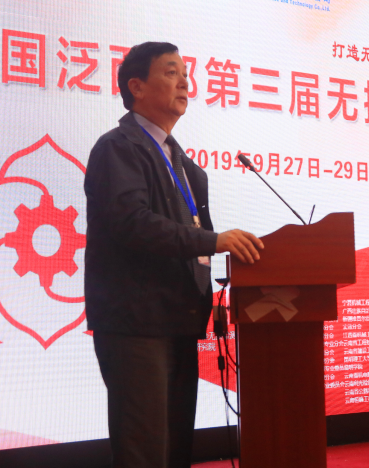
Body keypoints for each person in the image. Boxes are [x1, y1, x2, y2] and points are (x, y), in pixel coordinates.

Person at [84, 41, 263, 468]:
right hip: (137, 324)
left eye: (185, 73)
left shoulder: (185, 166)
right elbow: (132, 223)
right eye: (170, 72)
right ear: (136, 86)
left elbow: (191, 238)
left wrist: (210, 288)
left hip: (179, 320)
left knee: (174, 449)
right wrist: (214, 241)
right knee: (145, 450)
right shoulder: (118, 148)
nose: (184, 82)